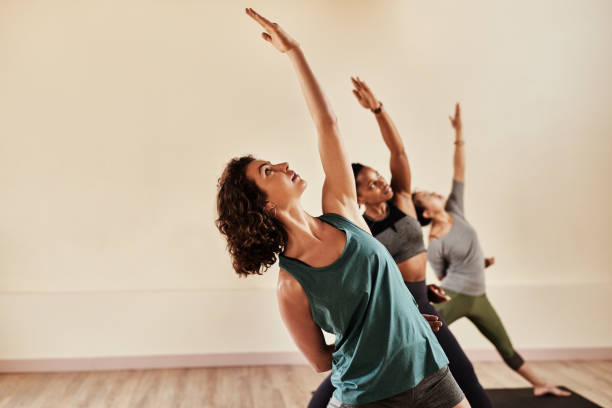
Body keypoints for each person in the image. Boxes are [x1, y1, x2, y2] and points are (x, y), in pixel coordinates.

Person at [216, 8, 469, 407]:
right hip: (371, 397)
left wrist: (294, 51)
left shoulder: (342, 210)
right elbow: (320, 360)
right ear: (263, 203)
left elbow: (328, 124)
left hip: (432, 371)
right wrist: (378, 346)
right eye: (268, 171)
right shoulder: (290, 284)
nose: (282, 165)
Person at [309, 77, 492, 408]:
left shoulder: (404, 201)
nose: (381, 182)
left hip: (423, 300)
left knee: (464, 376)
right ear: (358, 194)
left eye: (379, 176)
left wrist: (377, 109)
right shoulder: (358, 227)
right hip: (393, 309)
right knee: (341, 381)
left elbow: (398, 150)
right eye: (370, 183)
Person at [413, 103, 570, 398]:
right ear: (425, 213)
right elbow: (444, 278)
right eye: (427, 196)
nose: (435, 192)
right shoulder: (434, 243)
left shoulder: (455, 210)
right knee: (423, 337)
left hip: (479, 296)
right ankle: (404, 391)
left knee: (504, 344)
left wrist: (458, 133)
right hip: (457, 296)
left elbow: (459, 170)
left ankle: (540, 383)